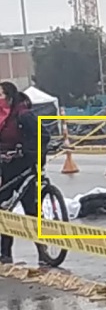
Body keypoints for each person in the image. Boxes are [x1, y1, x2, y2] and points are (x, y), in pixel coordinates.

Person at [0, 81, 51, 265]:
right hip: (7, 167)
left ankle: (43, 251)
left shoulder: (23, 115)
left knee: (31, 209)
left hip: (25, 166)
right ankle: (5, 254)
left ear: (9, 97)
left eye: (0, 95)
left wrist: (31, 153)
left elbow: (43, 136)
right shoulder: (1, 117)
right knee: (4, 210)